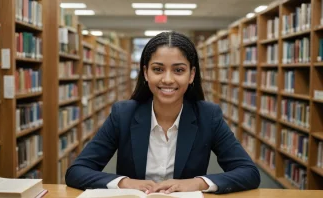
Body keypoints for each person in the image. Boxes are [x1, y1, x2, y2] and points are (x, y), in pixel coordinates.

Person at [65, 31, 260, 194]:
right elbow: (77, 171)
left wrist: (198, 183)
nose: (167, 79)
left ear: (191, 75)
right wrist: (125, 183)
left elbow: (249, 172)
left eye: (178, 70)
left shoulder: (208, 116)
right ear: (145, 73)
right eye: (158, 69)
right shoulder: (123, 114)